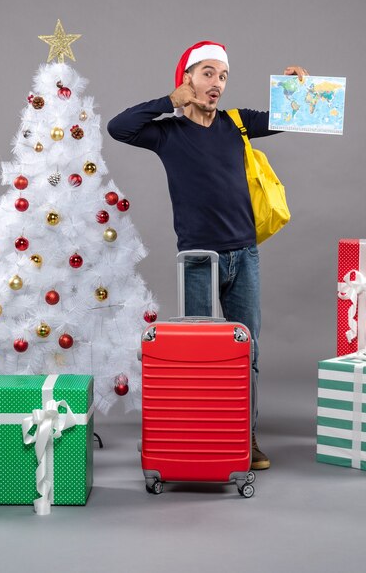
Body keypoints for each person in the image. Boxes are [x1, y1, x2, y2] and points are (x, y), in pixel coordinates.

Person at [108, 41, 308, 470]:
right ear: (187, 78)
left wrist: (293, 89)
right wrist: (168, 103)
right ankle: (203, 433)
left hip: (244, 254)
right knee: (200, 353)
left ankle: (244, 437)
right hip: (198, 258)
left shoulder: (236, 124)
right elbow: (118, 127)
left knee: (246, 350)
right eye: (207, 73)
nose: (216, 83)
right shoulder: (167, 133)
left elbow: (289, 117)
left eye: (223, 76)